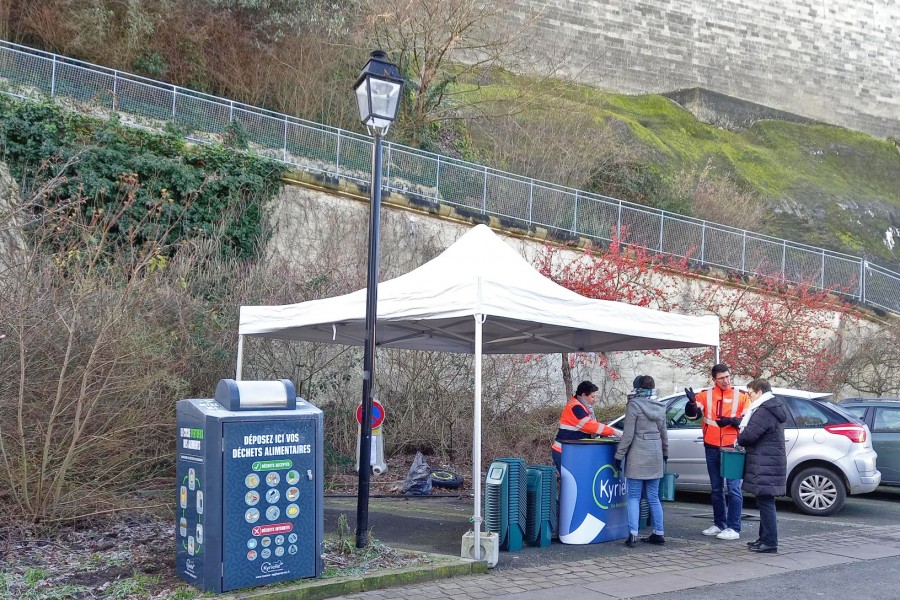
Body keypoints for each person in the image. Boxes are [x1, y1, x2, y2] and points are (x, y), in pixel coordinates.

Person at [683, 363, 752, 540]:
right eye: (721, 378)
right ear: (714, 379)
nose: (726, 381)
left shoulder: (741, 395)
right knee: (716, 488)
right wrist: (691, 403)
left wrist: (731, 420)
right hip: (711, 445)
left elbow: (749, 418)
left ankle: (734, 528)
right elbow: (692, 415)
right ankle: (719, 523)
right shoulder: (706, 395)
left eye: (728, 376)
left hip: (733, 447)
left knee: (734, 488)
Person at [614, 375, 668, 547]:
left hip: (638, 455)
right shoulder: (660, 406)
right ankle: (659, 533)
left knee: (634, 496)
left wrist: (619, 456)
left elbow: (628, 435)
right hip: (655, 455)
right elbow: (664, 434)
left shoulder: (633, 405)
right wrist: (665, 452)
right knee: (653, 496)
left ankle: (633, 534)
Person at [737, 378, 786, 554]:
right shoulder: (772, 406)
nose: (749, 397)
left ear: (759, 392)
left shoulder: (764, 410)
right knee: (764, 500)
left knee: (766, 502)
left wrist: (739, 437)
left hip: (765, 462)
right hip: (769, 461)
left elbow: (749, 435)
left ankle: (770, 542)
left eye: (750, 393)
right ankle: (764, 538)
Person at [551, 380, 619, 471]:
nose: (594, 400)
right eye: (592, 397)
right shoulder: (576, 407)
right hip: (565, 452)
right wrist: (613, 431)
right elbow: (590, 426)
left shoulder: (580, 406)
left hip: (570, 451)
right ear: (583, 395)